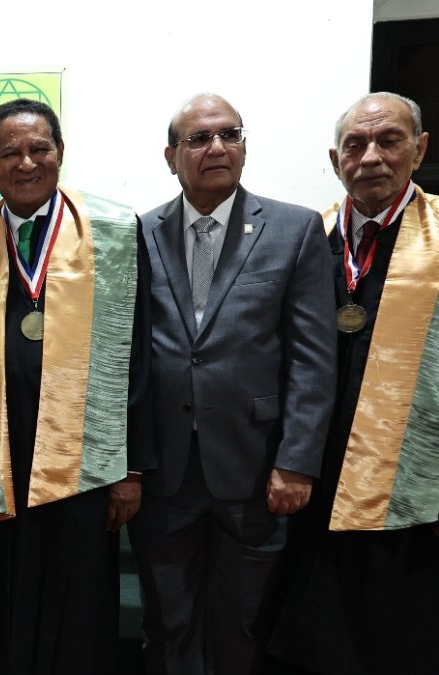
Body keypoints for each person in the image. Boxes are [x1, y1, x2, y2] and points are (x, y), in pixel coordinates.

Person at [127, 93, 336, 675]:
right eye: (198, 139)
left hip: (256, 468)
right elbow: (130, 358)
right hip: (165, 473)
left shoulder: (295, 230)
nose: (216, 147)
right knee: (166, 624)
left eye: (230, 135)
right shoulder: (138, 233)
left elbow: (313, 360)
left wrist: (297, 461)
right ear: (171, 156)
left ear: (244, 146)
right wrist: (130, 463)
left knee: (242, 624)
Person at [0, 98, 154, 674]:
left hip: (85, 465)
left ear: (60, 154)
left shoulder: (116, 233)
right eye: (10, 152)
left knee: (80, 610)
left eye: (39, 148)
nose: (26, 163)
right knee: (1, 601)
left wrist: (133, 468)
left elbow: (141, 355)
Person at [267, 92, 438, 675]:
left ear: (419, 149)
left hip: (411, 479)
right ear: (335, 157)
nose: (371, 157)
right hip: (311, 467)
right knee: (307, 625)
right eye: (355, 145)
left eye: (389, 140)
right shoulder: (305, 238)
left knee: (395, 628)